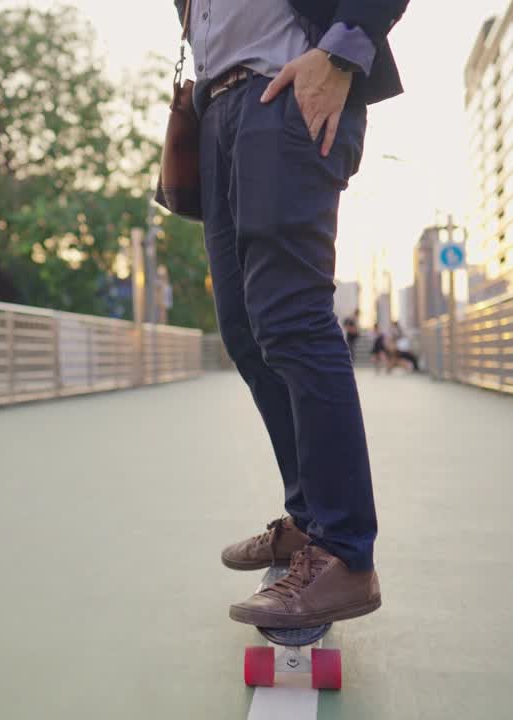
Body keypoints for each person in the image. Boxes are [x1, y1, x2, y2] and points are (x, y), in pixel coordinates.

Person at [173, 0, 410, 629]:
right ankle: (310, 522)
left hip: (287, 86)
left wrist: (341, 52)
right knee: (246, 330)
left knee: (293, 318)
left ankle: (345, 555)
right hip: (219, 109)